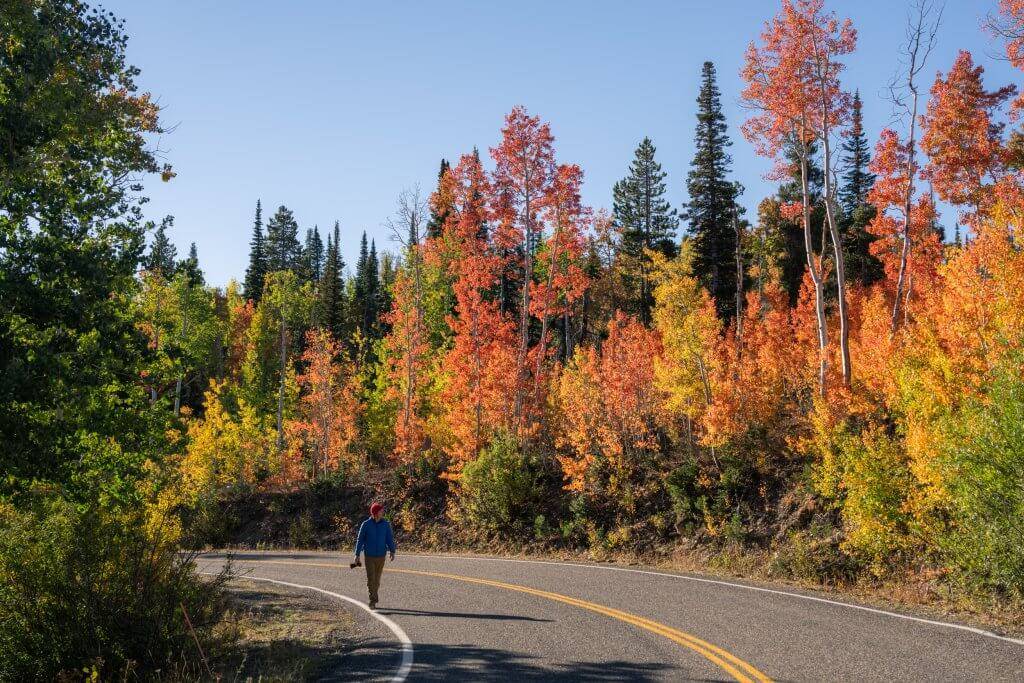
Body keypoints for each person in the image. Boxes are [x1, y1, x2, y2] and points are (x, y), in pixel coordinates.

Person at [354, 502, 396, 609]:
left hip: (381, 556)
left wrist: (392, 550)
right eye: (381, 511)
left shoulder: (385, 524)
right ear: (375, 513)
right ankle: (372, 600)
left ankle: (374, 597)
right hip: (369, 556)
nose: (383, 512)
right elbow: (360, 540)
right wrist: (357, 554)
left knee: (377, 580)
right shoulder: (366, 524)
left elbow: (389, 538)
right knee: (371, 579)